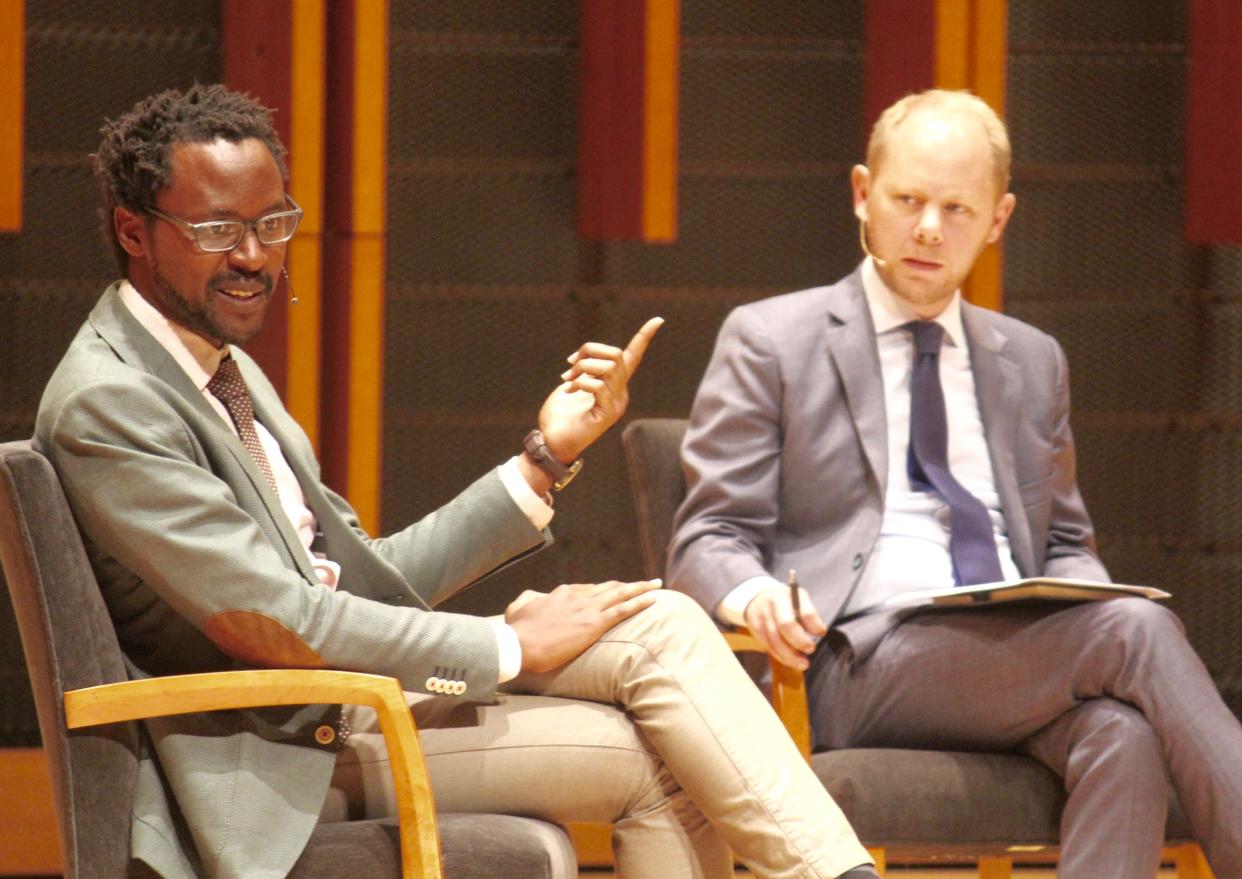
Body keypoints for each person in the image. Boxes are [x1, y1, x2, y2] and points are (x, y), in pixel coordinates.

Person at [35, 84, 878, 879]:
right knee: (662, 757)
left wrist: (543, 457)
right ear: (134, 231)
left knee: (663, 622)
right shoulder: (111, 400)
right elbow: (278, 623)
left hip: (341, 694)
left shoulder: (217, 366)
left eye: (273, 222)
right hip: (270, 748)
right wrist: (506, 646)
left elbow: (361, 570)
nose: (255, 256)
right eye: (219, 230)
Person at [668, 88, 1242, 878]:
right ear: (863, 195)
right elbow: (705, 538)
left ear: (998, 220)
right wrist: (760, 599)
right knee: (1134, 633)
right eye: (908, 200)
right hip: (855, 656)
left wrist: (1080, 600)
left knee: (1124, 731)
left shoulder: (1031, 359)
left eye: (957, 209)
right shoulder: (773, 338)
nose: (930, 228)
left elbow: (1067, 541)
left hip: (1017, 646)